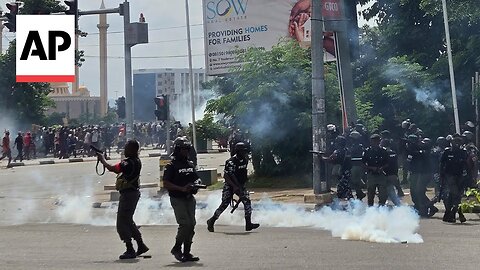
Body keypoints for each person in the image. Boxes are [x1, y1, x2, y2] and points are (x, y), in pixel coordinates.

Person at [96, 140, 149, 259]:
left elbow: (113, 168)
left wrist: (102, 159)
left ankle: (129, 248)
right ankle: (140, 244)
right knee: (128, 220)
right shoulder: (135, 161)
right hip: (131, 193)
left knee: (121, 222)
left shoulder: (129, 163)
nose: (124, 150)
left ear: (132, 149)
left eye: (127, 148)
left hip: (128, 195)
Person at [163, 137, 202, 262]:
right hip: (177, 198)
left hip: (189, 198)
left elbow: (196, 178)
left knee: (192, 224)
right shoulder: (171, 166)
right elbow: (166, 183)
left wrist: (197, 184)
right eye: (183, 149)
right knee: (184, 224)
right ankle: (176, 248)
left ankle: (187, 252)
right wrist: (181, 188)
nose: (186, 151)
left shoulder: (189, 164)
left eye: (187, 149)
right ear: (177, 149)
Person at [207, 142, 260, 232]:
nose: (244, 153)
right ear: (238, 151)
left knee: (247, 201)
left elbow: (243, 174)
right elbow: (226, 176)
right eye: (242, 151)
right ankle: (212, 221)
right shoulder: (230, 162)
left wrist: (242, 185)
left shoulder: (245, 160)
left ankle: (248, 224)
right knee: (224, 204)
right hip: (230, 185)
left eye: (245, 151)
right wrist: (234, 187)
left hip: (240, 185)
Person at [440, 136, 469, 223]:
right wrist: (441, 175)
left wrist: (468, 177)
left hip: (460, 176)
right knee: (455, 195)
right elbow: (441, 164)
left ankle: (454, 213)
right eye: (455, 142)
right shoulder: (447, 152)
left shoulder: (463, 153)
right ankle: (453, 213)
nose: (456, 144)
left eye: (458, 142)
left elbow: (466, 165)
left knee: (457, 196)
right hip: (449, 176)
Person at [362, 134, 389, 207]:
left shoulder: (384, 151)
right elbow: (363, 164)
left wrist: (382, 168)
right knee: (370, 194)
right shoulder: (367, 151)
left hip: (381, 174)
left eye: (377, 141)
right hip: (371, 175)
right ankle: (371, 210)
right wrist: (371, 168)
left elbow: (388, 163)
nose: (375, 143)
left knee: (383, 194)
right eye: (373, 141)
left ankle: (381, 209)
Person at [380, 139, 402, 206]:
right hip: (394, 175)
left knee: (386, 192)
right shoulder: (394, 153)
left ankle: (382, 207)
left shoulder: (383, 153)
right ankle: (399, 206)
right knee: (391, 191)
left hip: (385, 175)